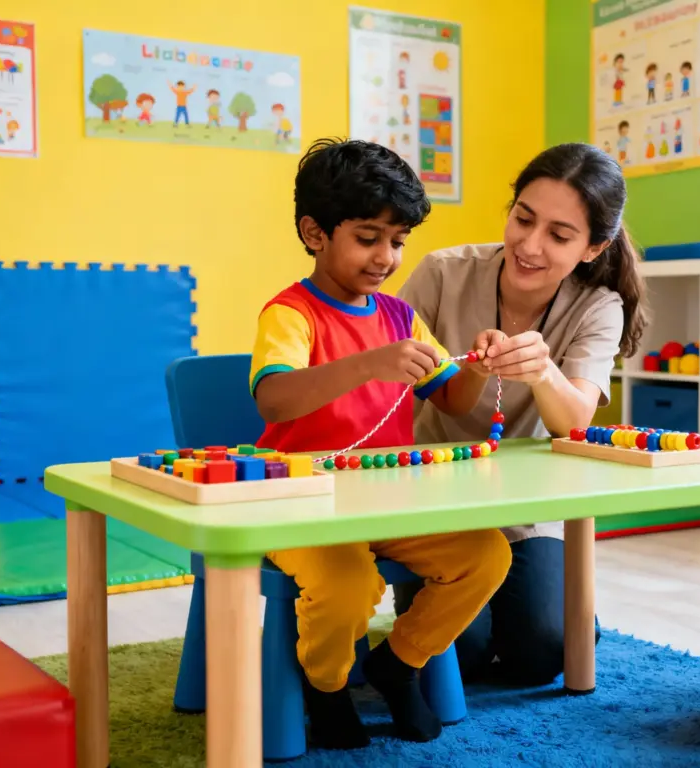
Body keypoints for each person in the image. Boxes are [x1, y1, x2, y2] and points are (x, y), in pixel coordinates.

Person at [249, 137, 513, 750]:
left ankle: (400, 661)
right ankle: (326, 684)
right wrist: (370, 365)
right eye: (368, 238)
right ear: (315, 233)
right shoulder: (291, 315)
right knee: (347, 584)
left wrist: (478, 363)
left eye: (397, 242)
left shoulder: (398, 317)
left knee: (487, 556)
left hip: (386, 503)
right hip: (303, 504)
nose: (386, 258)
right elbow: (275, 399)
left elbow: (452, 399)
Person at [394, 142, 648, 687]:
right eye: (523, 219)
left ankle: (542, 607)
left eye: (558, 235)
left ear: (592, 246)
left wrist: (543, 371)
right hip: (436, 505)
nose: (529, 246)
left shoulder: (598, 304)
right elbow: (389, 383)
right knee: (457, 657)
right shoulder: (442, 273)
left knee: (541, 653)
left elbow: (575, 420)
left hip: (527, 512)